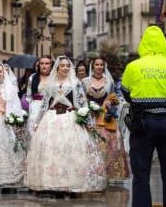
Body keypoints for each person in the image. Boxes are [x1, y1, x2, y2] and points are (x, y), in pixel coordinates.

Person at [120, 26, 166, 207]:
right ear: (164, 44)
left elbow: (126, 93)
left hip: (142, 124)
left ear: (143, 43)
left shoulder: (133, 66)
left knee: (141, 176)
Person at [26, 56, 107, 196]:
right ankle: (52, 185)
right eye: (62, 65)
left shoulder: (75, 83)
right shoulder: (50, 84)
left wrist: (87, 121)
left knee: (70, 151)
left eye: (67, 65)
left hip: (70, 119)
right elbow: (45, 104)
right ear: (57, 67)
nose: (65, 68)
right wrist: (38, 122)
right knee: (51, 151)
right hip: (51, 119)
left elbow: (82, 103)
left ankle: (70, 185)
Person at [82, 57, 129, 182]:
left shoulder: (109, 81)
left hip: (105, 117)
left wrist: (108, 105)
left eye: (101, 65)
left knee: (108, 145)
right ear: (92, 66)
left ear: (104, 67)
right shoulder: (85, 82)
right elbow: (82, 99)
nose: (99, 67)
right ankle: (92, 173)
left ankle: (107, 173)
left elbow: (113, 99)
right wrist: (88, 111)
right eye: (96, 64)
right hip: (91, 117)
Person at [26, 56, 52, 134]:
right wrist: (31, 107)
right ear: (38, 65)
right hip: (35, 107)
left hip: (50, 107)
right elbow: (29, 95)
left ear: (51, 65)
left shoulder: (54, 78)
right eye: (42, 63)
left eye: (47, 63)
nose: (44, 65)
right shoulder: (32, 77)